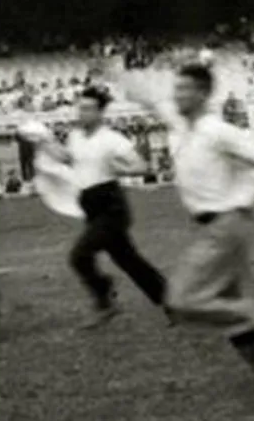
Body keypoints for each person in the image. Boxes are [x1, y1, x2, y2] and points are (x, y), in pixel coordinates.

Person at [122, 62, 254, 403]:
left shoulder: (218, 131)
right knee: (224, 306)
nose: (177, 95)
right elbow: (151, 101)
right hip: (211, 227)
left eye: (184, 89)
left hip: (228, 225)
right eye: (176, 89)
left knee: (181, 300)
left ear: (202, 94)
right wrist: (116, 73)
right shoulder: (181, 124)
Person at [35, 86, 169, 328]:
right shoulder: (76, 137)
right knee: (129, 261)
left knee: (79, 256)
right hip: (91, 205)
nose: (82, 113)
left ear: (100, 113)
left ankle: (105, 301)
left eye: (88, 109)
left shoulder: (112, 139)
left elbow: (142, 166)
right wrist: (44, 141)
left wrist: (118, 169)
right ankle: (174, 302)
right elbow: (68, 159)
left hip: (111, 205)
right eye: (80, 108)